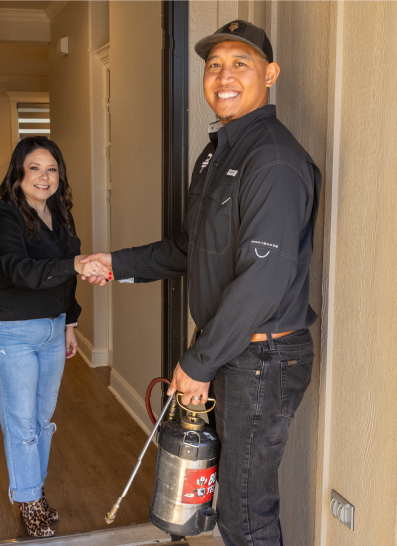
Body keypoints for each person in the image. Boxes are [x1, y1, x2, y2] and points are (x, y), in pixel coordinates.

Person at [81, 20, 321, 546]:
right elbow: (190, 248)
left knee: (243, 512)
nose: (224, 76)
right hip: (233, 348)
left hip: (263, 358)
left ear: (271, 74)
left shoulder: (274, 161)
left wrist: (199, 361)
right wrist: (116, 263)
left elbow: (264, 279)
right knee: (225, 499)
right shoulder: (216, 154)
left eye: (241, 64)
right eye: (214, 65)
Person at [0, 137, 111, 538]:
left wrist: (69, 323)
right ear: (18, 173)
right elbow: (20, 271)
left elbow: (65, 278)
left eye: (51, 169)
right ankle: (30, 501)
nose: (44, 177)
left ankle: (34, 490)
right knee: (21, 422)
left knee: (41, 420)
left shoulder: (60, 214)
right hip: (7, 330)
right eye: (34, 168)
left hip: (52, 329)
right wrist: (76, 263)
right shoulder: (4, 218)